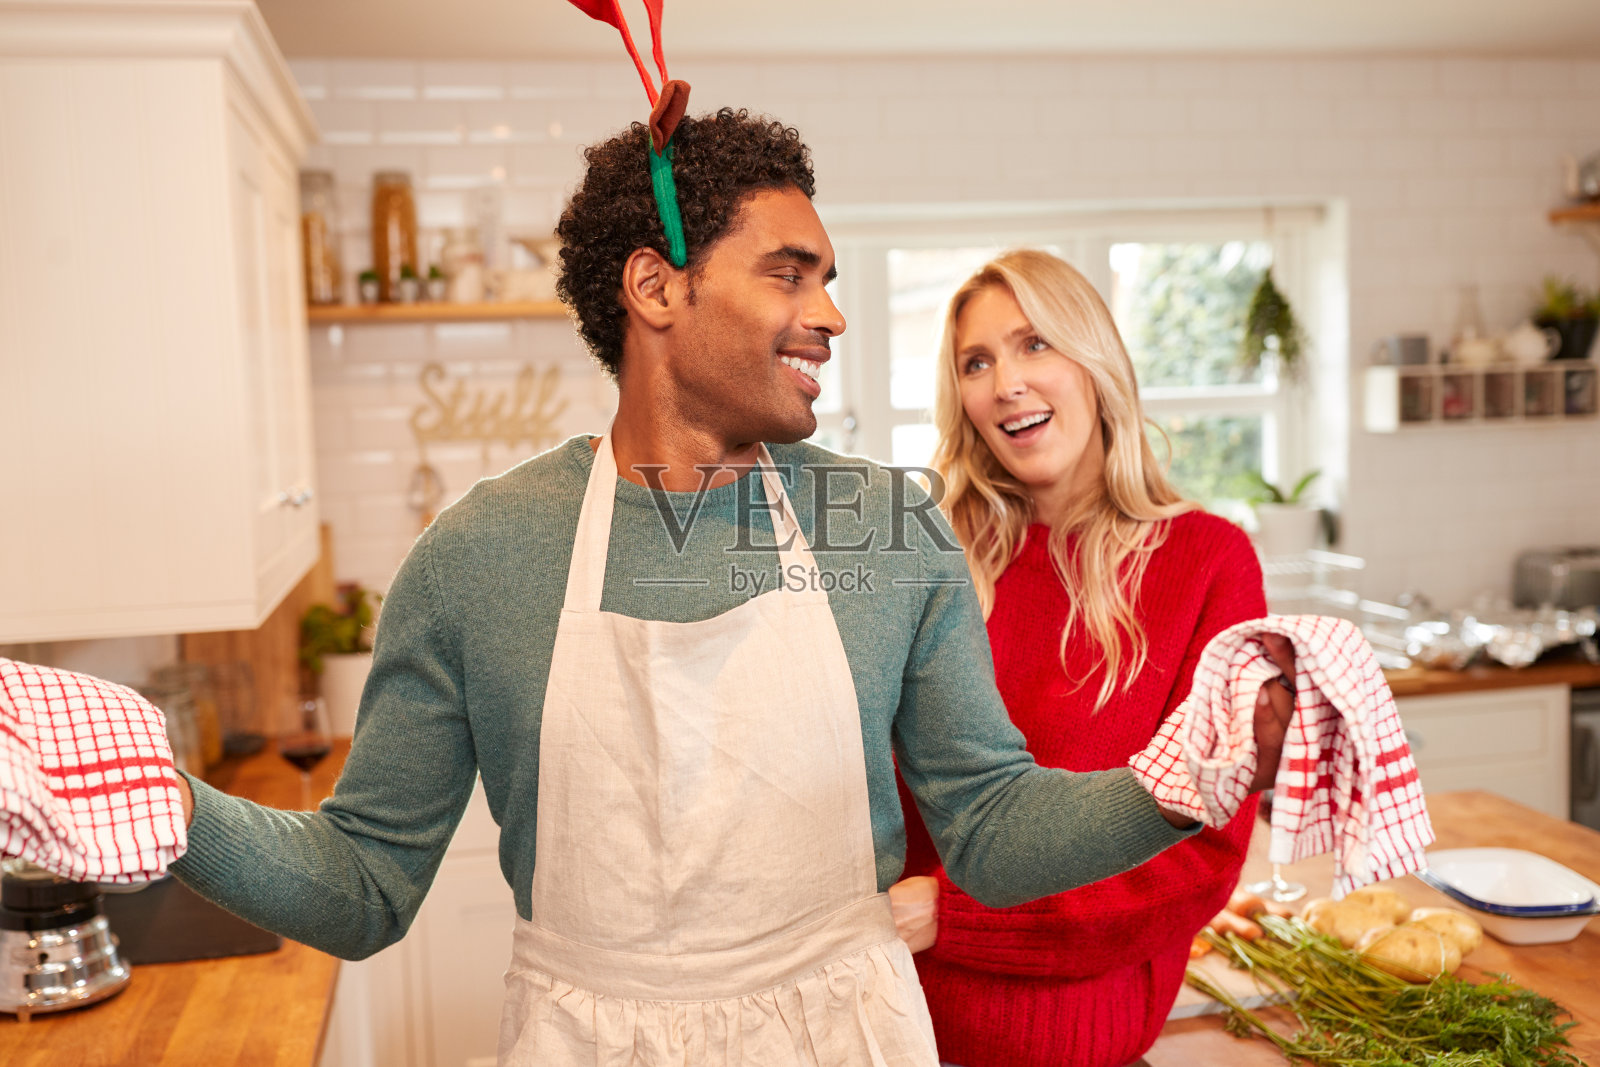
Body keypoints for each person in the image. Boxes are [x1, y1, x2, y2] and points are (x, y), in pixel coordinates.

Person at [164, 112, 1295, 1066]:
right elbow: (361, 882)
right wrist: (159, 803)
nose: (833, 315)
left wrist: (1189, 772)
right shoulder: (478, 556)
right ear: (656, 287)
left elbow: (991, 828)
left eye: (830, 281)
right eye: (788, 274)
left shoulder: (886, 526)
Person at [891, 249, 1270, 1067]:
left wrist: (955, 915)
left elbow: (1199, 855)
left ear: (1094, 362)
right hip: (894, 1032)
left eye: (1035, 344)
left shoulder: (1208, 562)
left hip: (1084, 1046)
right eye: (977, 362)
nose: (1006, 383)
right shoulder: (931, 555)